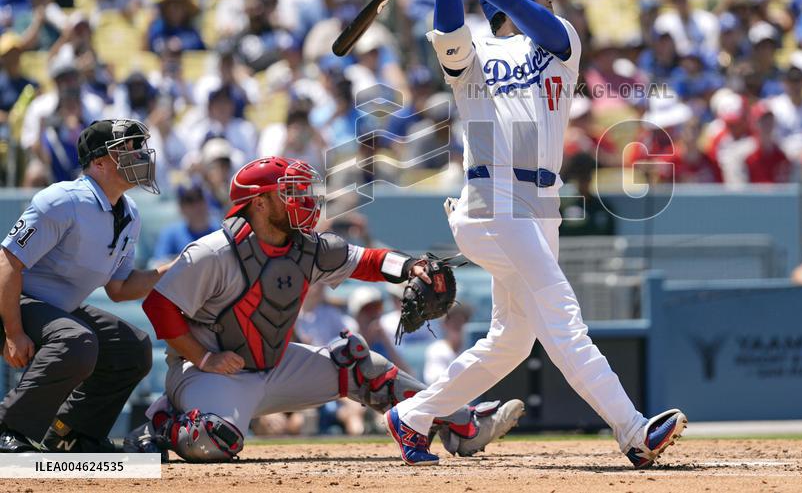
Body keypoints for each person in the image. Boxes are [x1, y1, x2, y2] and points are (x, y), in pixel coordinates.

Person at [392, 0, 687, 467]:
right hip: (491, 198)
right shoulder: (476, 49)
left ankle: (412, 416)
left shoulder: (560, 44)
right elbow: (452, 33)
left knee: (512, 339)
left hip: (539, 207)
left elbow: (513, 5)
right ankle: (633, 430)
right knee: (562, 314)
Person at [125, 156, 523, 461]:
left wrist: (410, 266)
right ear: (259, 204)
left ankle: (462, 426)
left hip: (275, 366)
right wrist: (204, 357)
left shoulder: (307, 246)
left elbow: (365, 259)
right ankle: (165, 419)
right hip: (212, 375)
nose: (304, 199)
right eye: (290, 192)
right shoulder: (214, 251)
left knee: (361, 366)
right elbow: (159, 304)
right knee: (216, 441)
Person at [0, 120, 167, 452]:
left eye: (138, 147)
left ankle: (71, 433)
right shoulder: (64, 199)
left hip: (53, 309)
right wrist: (13, 332)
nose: (138, 155)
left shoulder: (129, 213)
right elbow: (7, 263)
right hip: (13, 302)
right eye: (128, 149)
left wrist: (170, 271)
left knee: (132, 348)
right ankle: (7, 429)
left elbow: (119, 289)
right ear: (100, 162)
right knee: (77, 340)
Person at [151, 183, 215, 266]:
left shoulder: (220, 231)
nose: (196, 205)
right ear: (181, 207)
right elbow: (159, 264)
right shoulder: (171, 233)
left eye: (199, 198)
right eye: (189, 201)